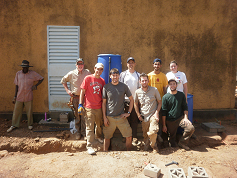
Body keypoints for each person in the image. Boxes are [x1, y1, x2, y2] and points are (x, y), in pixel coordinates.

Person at [7, 60, 44, 132]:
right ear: (22, 67)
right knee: (16, 111)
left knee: (29, 112)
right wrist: (15, 96)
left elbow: (41, 78)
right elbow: (16, 86)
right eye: (23, 67)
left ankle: (30, 124)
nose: (25, 68)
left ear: (28, 67)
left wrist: (36, 85)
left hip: (28, 95)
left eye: (26, 67)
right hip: (19, 96)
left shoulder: (32, 74)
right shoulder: (18, 74)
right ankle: (14, 125)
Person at [102, 68, 133, 152]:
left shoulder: (124, 86)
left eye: (116, 75)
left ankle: (129, 153)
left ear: (119, 76)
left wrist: (128, 113)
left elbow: (131, 99)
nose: (115, 77)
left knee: (129, 136)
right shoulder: (106, 87)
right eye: (113, 75)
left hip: (121, 117)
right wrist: (104, 118)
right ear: (110, 76)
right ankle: (105, 153)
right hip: (109, 118)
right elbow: (104, 103)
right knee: (107, 137)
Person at [61, 58, 91, 140]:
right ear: (76, 65)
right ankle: (78, 133)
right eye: (78, 64)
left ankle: (84, 133)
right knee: (77, 116)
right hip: (75, 98)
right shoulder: (71, 73)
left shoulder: (87, 73)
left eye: (81, 64)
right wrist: (67, 90)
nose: (80, 65)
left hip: (85, 98)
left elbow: (91, 81)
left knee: (85, 116)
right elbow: (63, 80)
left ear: (83, 65)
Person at [79, 63, 105, 155]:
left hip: (99, 107)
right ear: (94, 68)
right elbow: (82, 91)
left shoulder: (102, 81)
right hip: (89, 107)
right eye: (97, 69)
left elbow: (103, 95)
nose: (99, 71)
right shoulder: (88, 78)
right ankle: (89, 145)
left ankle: (98, 137)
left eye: (101, 69)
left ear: (102, 71)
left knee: (99, 125)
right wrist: (80, 104)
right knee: (89, 127)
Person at [162, 79, 195, 150]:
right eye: (170, 84)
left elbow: (185, 107)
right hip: (170, 120)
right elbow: (164, 112)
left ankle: (182, 143)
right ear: (168, 86)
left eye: (174, 84)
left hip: (180, 118)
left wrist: (185, 118)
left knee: (190, 128)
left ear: (176, 85)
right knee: (172, 141)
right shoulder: (165, 97)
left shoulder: (181, 95)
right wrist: (164, 125)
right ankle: (172, 144)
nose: (172, 85)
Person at [134, 73, 162, 153]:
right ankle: (146, 148)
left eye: (146, 80)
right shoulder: (137, 92)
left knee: (153, 131)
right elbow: (135, 104)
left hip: (153, 115)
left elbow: (159, 102)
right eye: (143, 81)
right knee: (145, 136)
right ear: (140, 82)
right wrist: (138, 115)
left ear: (148, 81)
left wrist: (157, 113)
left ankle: (154, 147)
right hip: (143, 117)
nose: (144, 82)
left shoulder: (154, 90)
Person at [119, 57, 140, 145]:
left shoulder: (138, 75)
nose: (131, 64)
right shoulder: (123, 74)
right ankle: (125, 136)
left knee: (134, 120)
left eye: (132, 62)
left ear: (135, 64)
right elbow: (120, 87)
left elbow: (140, 88)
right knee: (125, 120)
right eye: (129, 63)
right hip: (125, 100)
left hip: (135, 101)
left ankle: (134, 137)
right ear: (127, 64)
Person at [147, 58, 168, 145]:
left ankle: (160, 136)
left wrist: (165, 99)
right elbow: (147, 89)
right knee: (152, 118)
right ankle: (151, 136)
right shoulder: (149, 76)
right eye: (155, 64)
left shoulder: (163, 76)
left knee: (160, 117)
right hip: (152, 101)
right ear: (153, 65)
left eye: (158, 64)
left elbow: (165, 89)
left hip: (161, 101)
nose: (157, 66)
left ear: (160, 65)